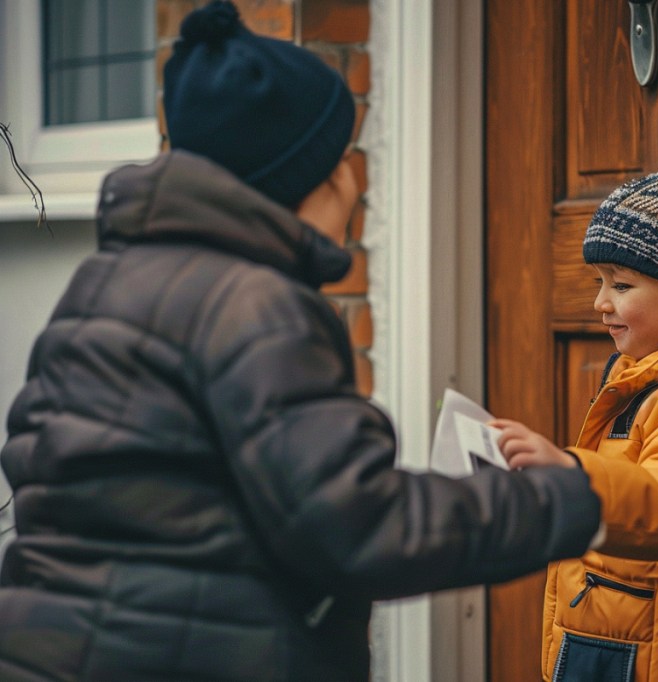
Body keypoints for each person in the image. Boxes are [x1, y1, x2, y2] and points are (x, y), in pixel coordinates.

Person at [0, 2, 600, 681]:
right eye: (345, 156)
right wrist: (566, 499)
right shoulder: (256, 305)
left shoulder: (105, 285)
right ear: (304, 175)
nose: (355, 179)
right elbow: (357, 526)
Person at [493, 142, 658, 682]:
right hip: (619, 642)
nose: (600, 303)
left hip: (655, 657)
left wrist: (575, 477)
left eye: (622, 285)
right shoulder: (640, 376)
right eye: (599, 282)